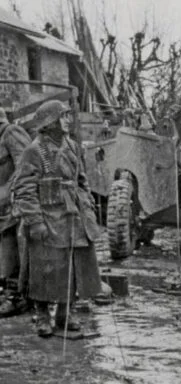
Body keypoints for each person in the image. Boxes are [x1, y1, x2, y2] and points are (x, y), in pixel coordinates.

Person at [13, 100, 101, 337]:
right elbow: (24, 188)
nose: (68, 121)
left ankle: (65, 312)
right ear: (49, 122)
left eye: (68, 116)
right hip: (48, 217)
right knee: (45, 267)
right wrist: (35, 220)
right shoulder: (35, 150)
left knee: (73, 265)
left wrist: (88, 205)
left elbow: (83, 180)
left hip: (74, 214)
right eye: (63, 117)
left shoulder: (73, 146)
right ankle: (42, 315)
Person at [0, 107, 32, 317]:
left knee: (12, 242)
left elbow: (25, 165)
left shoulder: (11, 132)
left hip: (13, 202)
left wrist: (7, 192)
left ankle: (17, 297)